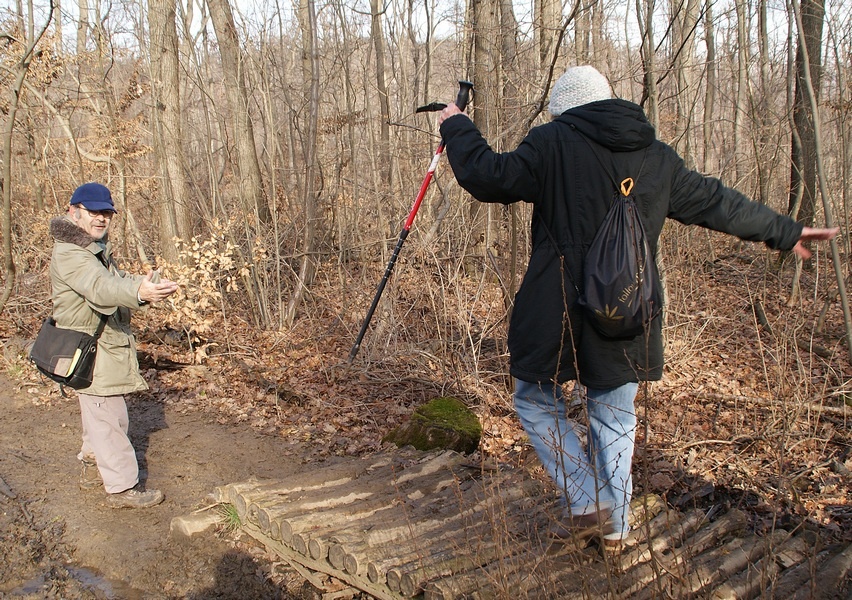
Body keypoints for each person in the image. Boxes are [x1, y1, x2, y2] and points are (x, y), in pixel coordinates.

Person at [438, 66, 839, 550]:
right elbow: (717, 202)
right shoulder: (656, 157)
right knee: (614, 416)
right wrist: (786, 231)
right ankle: (617, 527)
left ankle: (588, 504)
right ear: (610, 101)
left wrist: (456, 124)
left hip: (555, 306)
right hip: (628, 309)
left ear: (563, 109)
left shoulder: (551, 143)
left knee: (535, 398)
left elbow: (488, 176)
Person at [49, 182, 179, 509]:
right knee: (110, 416)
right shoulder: (71, 253)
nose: (101, 218)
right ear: (73, 211)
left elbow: (115, 281)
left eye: (106, 212)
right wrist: (140, 294)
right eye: (94, 211)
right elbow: (101, 288)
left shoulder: (92, 248)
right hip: (90, 349)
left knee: (98, 412)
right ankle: (122, 489)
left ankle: (93, 459)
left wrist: (143, 285)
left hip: (93, 347)